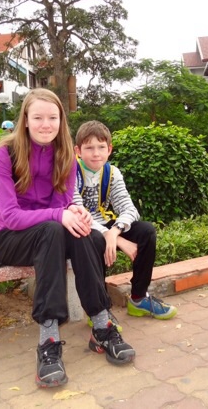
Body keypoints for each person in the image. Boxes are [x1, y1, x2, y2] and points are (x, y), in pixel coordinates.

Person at [0, 89, 135, 389]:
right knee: (54, 229)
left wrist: (75, 212)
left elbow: (64, 205)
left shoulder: (65, 155)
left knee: (82, 232)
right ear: (25, 120)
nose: (46, 124)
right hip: (9, 240)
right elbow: (11, 216)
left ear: (61, 121)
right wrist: (59, 215)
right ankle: (49, 340)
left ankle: (101, 325)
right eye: (38, 117)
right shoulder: (4, 154)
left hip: (48, 238)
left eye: (52, 118)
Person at [73, 120, 177, 320]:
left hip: (106, 226)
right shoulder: (70, 172)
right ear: (78, 151)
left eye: (101, 147)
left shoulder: (112, 173)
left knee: (146, 231)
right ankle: (99, 310)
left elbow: (129, 209)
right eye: (89, 148)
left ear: (109, 149)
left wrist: (115, 231)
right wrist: (114, 238)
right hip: (81, 227)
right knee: (94, 240)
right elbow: (77, 213)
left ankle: (139, 297)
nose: (96, 153)